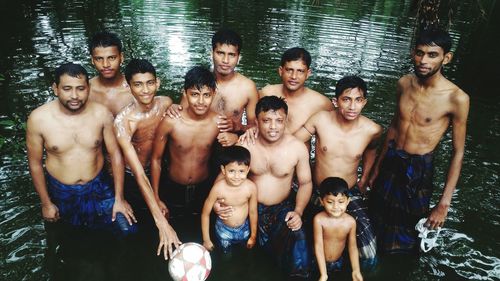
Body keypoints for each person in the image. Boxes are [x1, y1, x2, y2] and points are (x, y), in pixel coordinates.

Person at [368, 28, 470, 254]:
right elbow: (395, 127)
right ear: (413, 53)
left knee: (407, 234)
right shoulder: (404, 83)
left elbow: (458, 152)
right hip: (391, 160)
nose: (423, 60)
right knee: (374, 218)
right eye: (419, 53)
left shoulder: (457, 98)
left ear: (447, 58)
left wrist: (444, 204)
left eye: (432, 54)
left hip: (418, 169)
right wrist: (376, 168)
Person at [26, 62, 134, 233]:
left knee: (127, 230)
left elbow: (115, 155)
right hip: (61, 190)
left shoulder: (101, 114)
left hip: (99, 187)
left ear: (88, 88)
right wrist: (46, 203)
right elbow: (35, 164)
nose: (74, 95)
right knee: (69, 239)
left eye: (80, 88)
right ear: (56, 88)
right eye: (67, 88)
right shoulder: (38, 119)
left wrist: (119, 198)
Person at [294, 76, 381, 265]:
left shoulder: (372, 129)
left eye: (358, 100)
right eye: (346, 99)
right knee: (300, 236)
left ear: (364, 102)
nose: (352, 106)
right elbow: (293, 141)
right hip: (317, 190)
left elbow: (372, 150)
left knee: (368, 247)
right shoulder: (320, 120)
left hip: (348, 193)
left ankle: (358, 272)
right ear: (335, 101)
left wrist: (364, 178)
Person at [238, 96, 313, 278]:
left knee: (299, 239)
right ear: (257, 121)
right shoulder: (245, 144)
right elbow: (225, 176)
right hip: (248, 207)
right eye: (266, 121)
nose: (273, 127)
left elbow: (305, 183)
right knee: (237, 249)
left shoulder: (297, 148)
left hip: (281, 208)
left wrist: (299, 211)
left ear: (286, 121)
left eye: (279, 121)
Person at [114, 58, 181, 258]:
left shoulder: (166, 103)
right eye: (138, 84)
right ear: (128, 86)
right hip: (135, 178)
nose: (145, 90)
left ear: (157, 82)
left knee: (168, 213)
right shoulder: (124, 122)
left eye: (150, 83)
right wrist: (160, 221)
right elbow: (138, 173)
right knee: (146, 226)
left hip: (160, 170)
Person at [167, 28, 259, 146]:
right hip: (199, 143)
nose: (225, 60)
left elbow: (255, 127)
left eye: (231, 55)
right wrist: (174, 109)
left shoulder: (248, 88)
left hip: (230, 143)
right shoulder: (198, 82)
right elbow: (182, 119)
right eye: (220, 53)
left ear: (238, 57)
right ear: (212, 53)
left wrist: (236, 129)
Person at [151, 66, 220, 217]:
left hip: (204, 188)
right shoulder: (171, 121)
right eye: (194, 94)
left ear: (214, 94)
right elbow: (156, 159)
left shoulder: (218, 122)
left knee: (199, 230)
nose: (201, 101)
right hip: (173, 188)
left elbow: (229, 158)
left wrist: (234, 135)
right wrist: (155, 197)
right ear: (185, 93)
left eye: (207, 95)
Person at [258, 47, 333, 135]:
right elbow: (253, 124)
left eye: (300, 71)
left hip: (300, 147)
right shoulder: (267, 93)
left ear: (308, 73)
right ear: (281, 71)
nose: (294, 76)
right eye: (289, 70)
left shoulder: (321, 103)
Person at [201, 146, 257, 253]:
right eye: (231, 171)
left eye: (241, 171)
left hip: (244, 228)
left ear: (248, 169)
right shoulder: (218, 189)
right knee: (226, 255)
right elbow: (205, 214)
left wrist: (253, 236)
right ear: (223, 170)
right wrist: (206, 240)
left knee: (244, 253)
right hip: (223, 230)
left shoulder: (251, 188)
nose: (236, 176)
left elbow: (253, 212)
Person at [314, 177, 363, 281]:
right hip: (318, 263)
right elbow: (318, 246)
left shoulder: (350, 222)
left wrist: (356, 270)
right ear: (322, 201)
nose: (336, 206)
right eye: (330, 202)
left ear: (348, 201)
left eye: (341, 202)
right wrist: (323, 274)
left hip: (339, 263)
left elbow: (353, 247)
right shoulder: (319, 220)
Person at [88, 31, 134, 116]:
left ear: (121, 57)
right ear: (92, 60)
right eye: (99, 59)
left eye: (112, 58)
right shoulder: (86, 90)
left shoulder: (135, 89)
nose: (106, 64)